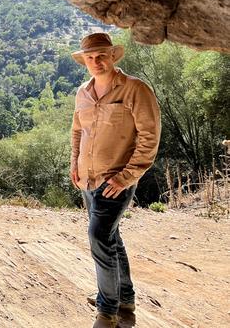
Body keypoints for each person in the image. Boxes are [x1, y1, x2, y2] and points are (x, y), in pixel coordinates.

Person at [70, 33, 161, 328]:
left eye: (101, 56)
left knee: (98, 236)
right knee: (111, 237)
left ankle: (107, 311)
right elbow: (77, 132)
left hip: (116, 181)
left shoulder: (135, 89)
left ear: (112, 56)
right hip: (87, 180)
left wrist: (127, 177)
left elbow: (149, 137)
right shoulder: (83, 92)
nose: (96, 62)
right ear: (84, 61)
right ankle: (125, 298)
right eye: (90, 58)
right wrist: (74, 163)